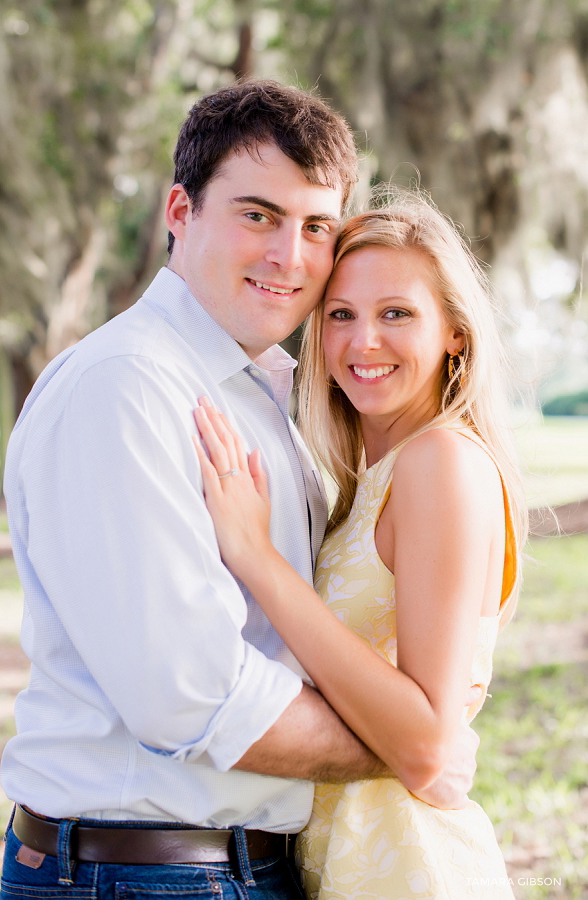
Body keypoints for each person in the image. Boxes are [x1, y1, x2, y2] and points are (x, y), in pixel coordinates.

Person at [0, 82, 478, 900]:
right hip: (141, 875)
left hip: (232, 867)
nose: (289, 256)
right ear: (178, 211)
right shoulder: (128, 387)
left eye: (315, 227)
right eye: (257, 215)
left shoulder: (251, 390)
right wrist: (409, 741)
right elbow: (188, 696)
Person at [192, 189, 528, 899]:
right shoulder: (370, 480)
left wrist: (257, 558)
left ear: (454, 334)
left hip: (409, 867)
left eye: (396, 314)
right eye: (339, 315)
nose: (361, 342)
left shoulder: (440, 461)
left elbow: (426, 741)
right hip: (346, 861)